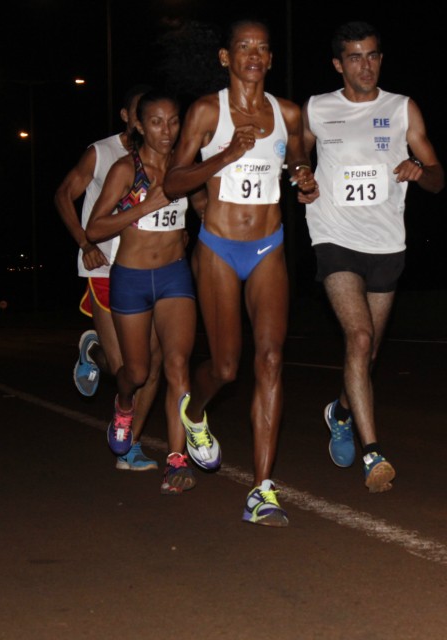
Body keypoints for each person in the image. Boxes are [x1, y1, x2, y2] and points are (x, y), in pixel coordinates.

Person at [164, 19, 317, 526]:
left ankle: (262, 490)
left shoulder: (287, 112)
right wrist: (228, 154)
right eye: (244, 47)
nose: (254, 54)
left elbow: (295, 153)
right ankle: (194, 412)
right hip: (218, 249)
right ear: (226, 58)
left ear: (271, 60)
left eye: (263, 48)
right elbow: (173, 182)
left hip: (269, 246)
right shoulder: (208, 111)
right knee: (227, 367)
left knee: (271, 358)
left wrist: (300, 172)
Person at [301, 21, 445, 493]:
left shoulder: (402, 108)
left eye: (374, 55)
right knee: (359, 339)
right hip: (334, 236)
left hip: (386, 242)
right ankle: (372, 453)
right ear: (338, 64)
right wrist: (301, 176)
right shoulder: (319, 107)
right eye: (356, 57)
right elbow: (298, 153)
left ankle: (339, 411)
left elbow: (438, 176)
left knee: (368, 352)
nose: (367, 65)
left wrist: (419, 169)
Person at [86, 90, 208, 493]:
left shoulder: (184, 166)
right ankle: (123, 409)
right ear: (139, 124)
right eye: (156, 122)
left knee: (176, 366)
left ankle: (177, 460)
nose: (167, 131)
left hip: (174, 277)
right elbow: (95, 229)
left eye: (174, 122)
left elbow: (205, 205)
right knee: (136, 373)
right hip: (131, 279)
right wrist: (143, 206)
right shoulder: (125, 169)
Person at [53, 84, 166, 472]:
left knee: (153, 363)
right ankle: (94, 350)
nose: (149, 122)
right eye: (142, 114)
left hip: (149, 268)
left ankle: (130, 444)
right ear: (128, 117)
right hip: (104, 266)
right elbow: (64, 194)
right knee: (126, 372)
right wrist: (85, 242)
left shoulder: (164, 154)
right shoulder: (102, 153)